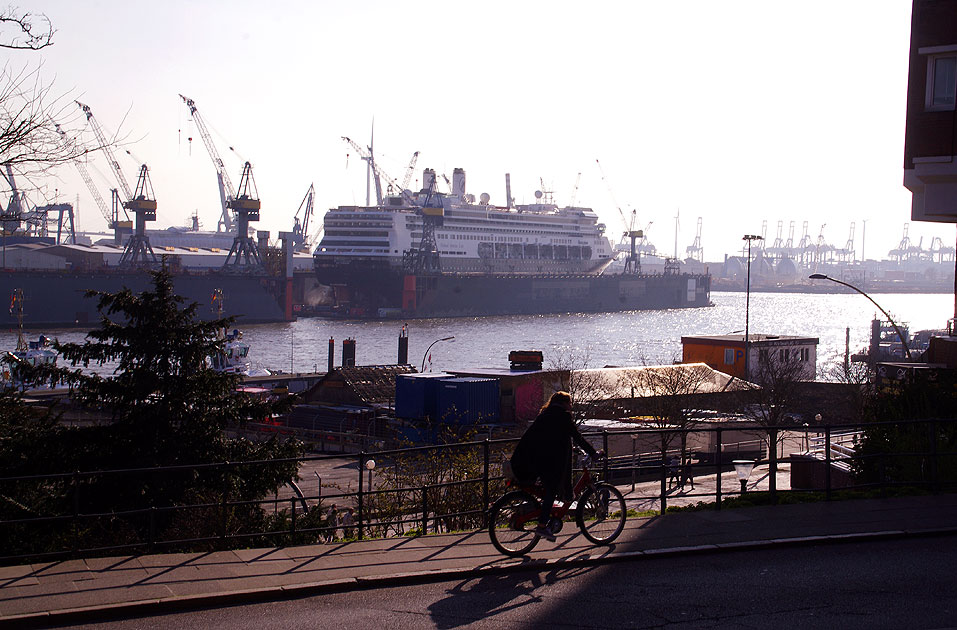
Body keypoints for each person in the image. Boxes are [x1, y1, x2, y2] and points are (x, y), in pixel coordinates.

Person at [509, 391, 600, 542]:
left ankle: (543, 517)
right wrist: (593, 453)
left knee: (548, 490)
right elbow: (577, 437)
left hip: (531, 460)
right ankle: (542, 526)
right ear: (564, 403)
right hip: (545, 461)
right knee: (551, 489)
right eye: (570, 403)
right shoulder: (563, 416)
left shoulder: (545, 415)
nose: (571, 406)